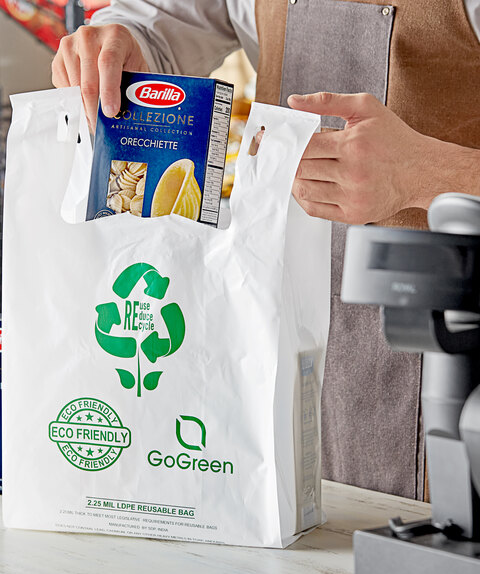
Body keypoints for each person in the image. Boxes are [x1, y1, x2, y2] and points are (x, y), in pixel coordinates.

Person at [52, 0, 480, 500]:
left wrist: (426, 173)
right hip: (287, 326)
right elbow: (163, 24)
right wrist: (119, 40)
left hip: (457, 358)